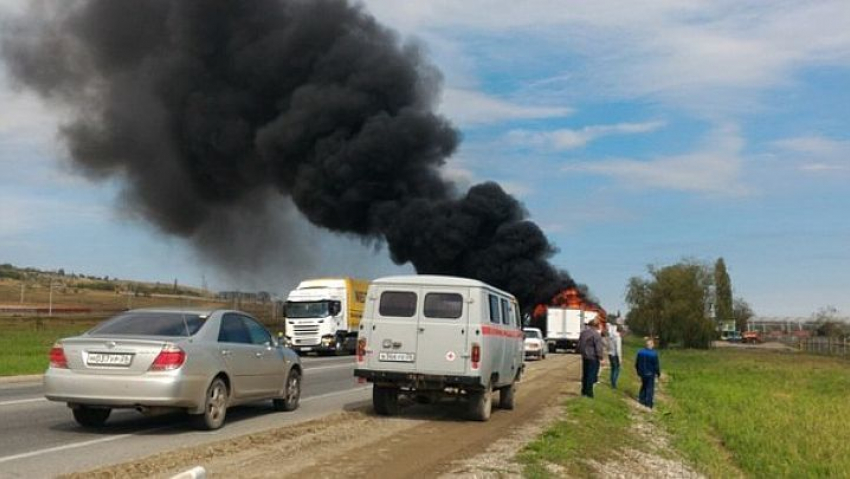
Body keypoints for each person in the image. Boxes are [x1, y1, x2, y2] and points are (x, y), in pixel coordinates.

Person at [577, 319, 604, 398]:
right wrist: (600, 357)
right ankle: (589, 393)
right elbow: (598, 348)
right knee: (591, 375)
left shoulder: (583, 333)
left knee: (585, 374)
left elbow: (579, 345)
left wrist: (582, 352)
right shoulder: (596, 335)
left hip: (585, 356)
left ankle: (583, 391)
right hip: (593, 357)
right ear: (596, 325)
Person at [635, 337, 661, 408]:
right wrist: (658, 373)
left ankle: (641, 399)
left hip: (642, 373)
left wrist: (638, 371)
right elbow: (656, 365)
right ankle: (648, 403)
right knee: (650, 388)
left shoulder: (640, 352)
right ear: (651, 345)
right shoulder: (654, 354)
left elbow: (637, 363)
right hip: (650, 373)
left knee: (643, 385)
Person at [607, 325, 623, 389]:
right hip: (615, 355)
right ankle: (614, 384)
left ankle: (612, 381)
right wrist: (620, 359)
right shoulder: (618, 338)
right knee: (616, 369)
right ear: (620, 331)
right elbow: (618, 349)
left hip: (610, 353)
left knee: (612, 369)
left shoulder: (611, 336)